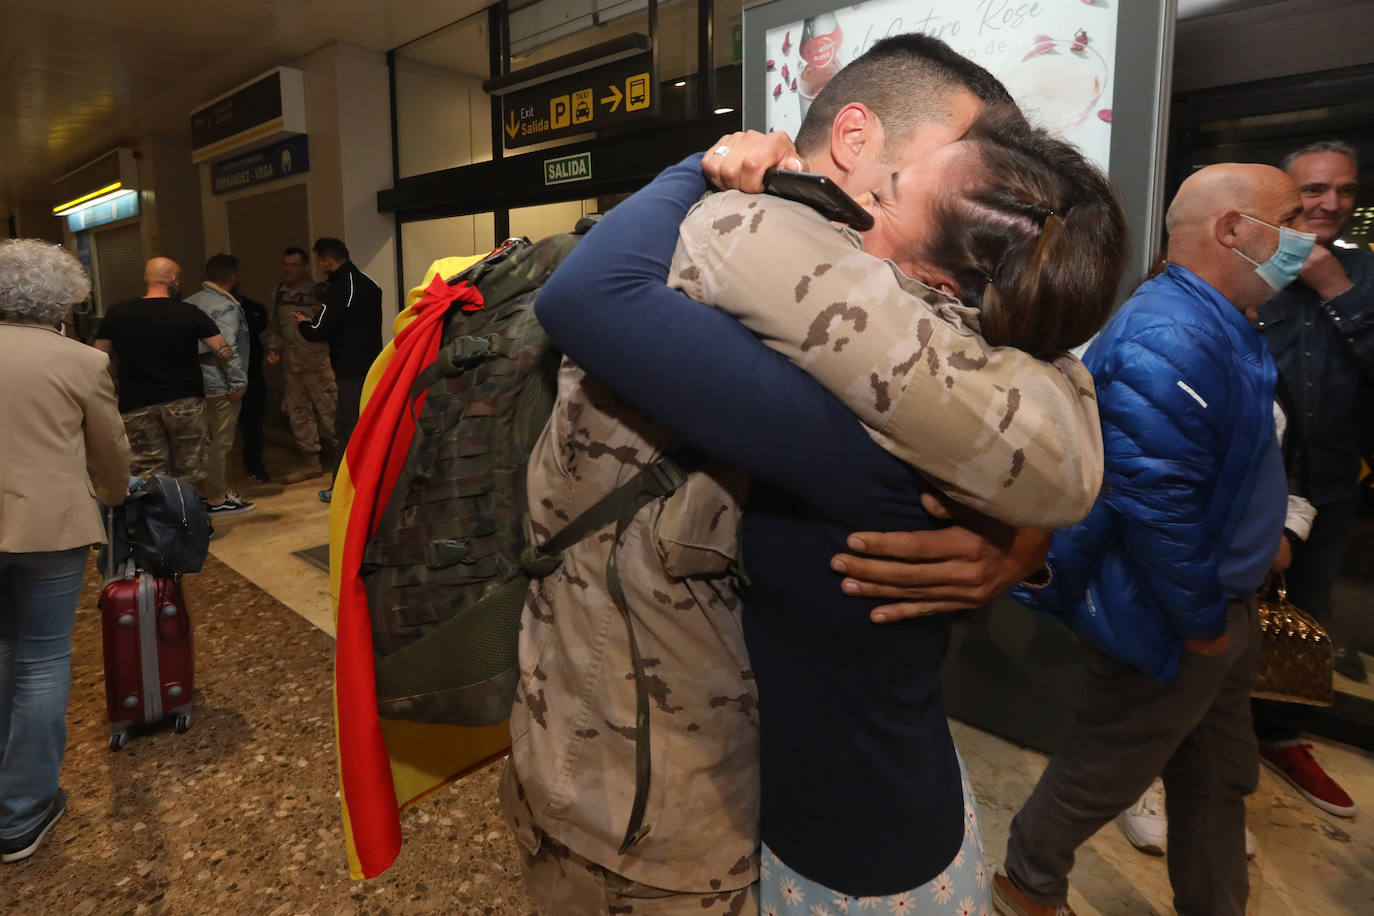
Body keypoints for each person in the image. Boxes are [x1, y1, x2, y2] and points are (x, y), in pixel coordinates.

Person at [501, 35, 1116, 914]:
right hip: (637, 807)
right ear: (857, 140)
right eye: (963, 166)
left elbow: (1035, 445)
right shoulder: (701, 261)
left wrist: (1023, 536)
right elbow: (595, 300)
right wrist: (705, 166)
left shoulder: (900, 334)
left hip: (774, 804)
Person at [992, 162, 1310, 916]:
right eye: (1290, 222)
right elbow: (1154, 502)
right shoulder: (1172, 334)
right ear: (1231, 229)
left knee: (1217, 776)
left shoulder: (1220, 320)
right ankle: (1026, 886)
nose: (1305, 240)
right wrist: (1201, 625)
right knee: (1106, 768)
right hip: (1176, 611)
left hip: (1216, 603)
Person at [0, 239, 130, 863]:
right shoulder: (80, 361)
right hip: (51, 527)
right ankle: (22, 812)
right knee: (42, 660)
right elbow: (110, 449)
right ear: (61, 300)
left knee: (2, 650)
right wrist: (114, 496)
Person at [1251, 139, 1368, 818]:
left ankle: (1280, 737)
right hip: (1249, 493)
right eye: (1314, 190)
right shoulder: (1251, 269)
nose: (1330, 203)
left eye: (1344, 189)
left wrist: (1337, 291)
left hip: (1330, 487)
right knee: (1221, 621)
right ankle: (1203, 743)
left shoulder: (1365, 274)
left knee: (1304, 620)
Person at [93, 257, 232, 493]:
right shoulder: (189, 312)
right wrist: (198, 359)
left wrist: (119, 373)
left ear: (146, 278)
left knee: (148, 471)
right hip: (185, 401)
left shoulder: (117, 313)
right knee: (189, 469)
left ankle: (157, 514)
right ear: (174, 280)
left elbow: (98, 357)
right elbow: (224, 352)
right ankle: (186, 511)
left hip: (136, 402)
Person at [296, 237, 381, 502]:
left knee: (348, 431)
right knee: (360, 428)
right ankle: (356, 487)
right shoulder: (370, 284)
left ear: (327, 260)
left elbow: (317, 331)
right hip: (372, 367)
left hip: (349, 371)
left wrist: (302, 323)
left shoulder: (340, 287)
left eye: (320, 262)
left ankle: (348, 491)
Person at [185, 254, 255, 517]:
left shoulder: (190, 302)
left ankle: (199, 494)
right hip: (219, 382)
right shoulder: (226, 307)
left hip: (195, 381)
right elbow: (226, 347)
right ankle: (216, 497)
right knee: (220, 443)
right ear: (233, 277)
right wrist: (238, 382)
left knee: (199, 441)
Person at [266, 246, 337, 485]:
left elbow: (333, 326)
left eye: (294, 265)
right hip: (292, 365)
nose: (289, 270)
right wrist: (274, 349)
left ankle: (345, 464)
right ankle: (311, 464)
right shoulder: (279, 293)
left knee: (331, 414)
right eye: (286, 265)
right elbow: (276, 327)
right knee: (298, 414)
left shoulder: (320, 292)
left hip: (319, 364)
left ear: (306, 267)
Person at [238, 292, 270, 483]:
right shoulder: (204, 306)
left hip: (252, 376)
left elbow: (263, 331)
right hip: (220, 380)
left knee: (253, 425)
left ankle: (255, 466)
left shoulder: (253, 308)